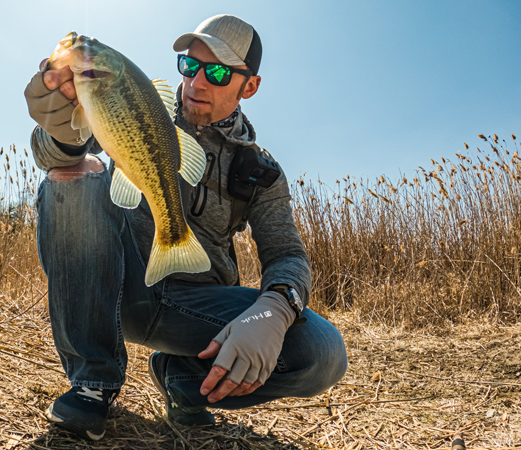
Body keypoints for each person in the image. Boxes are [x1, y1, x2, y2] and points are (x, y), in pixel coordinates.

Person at [23, 14, 348, 441]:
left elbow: (287, 254)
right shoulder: (140, 105)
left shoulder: (262, 172)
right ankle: (92, 385)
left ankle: (182, 381)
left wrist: (276, 311)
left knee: (321, 352)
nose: (196, 83)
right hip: (113, 287)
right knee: (77, 172)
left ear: (249, 86)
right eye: (189, 66)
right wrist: (61, 128)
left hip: (195, 311)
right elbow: (54, 156)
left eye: (216, 72)